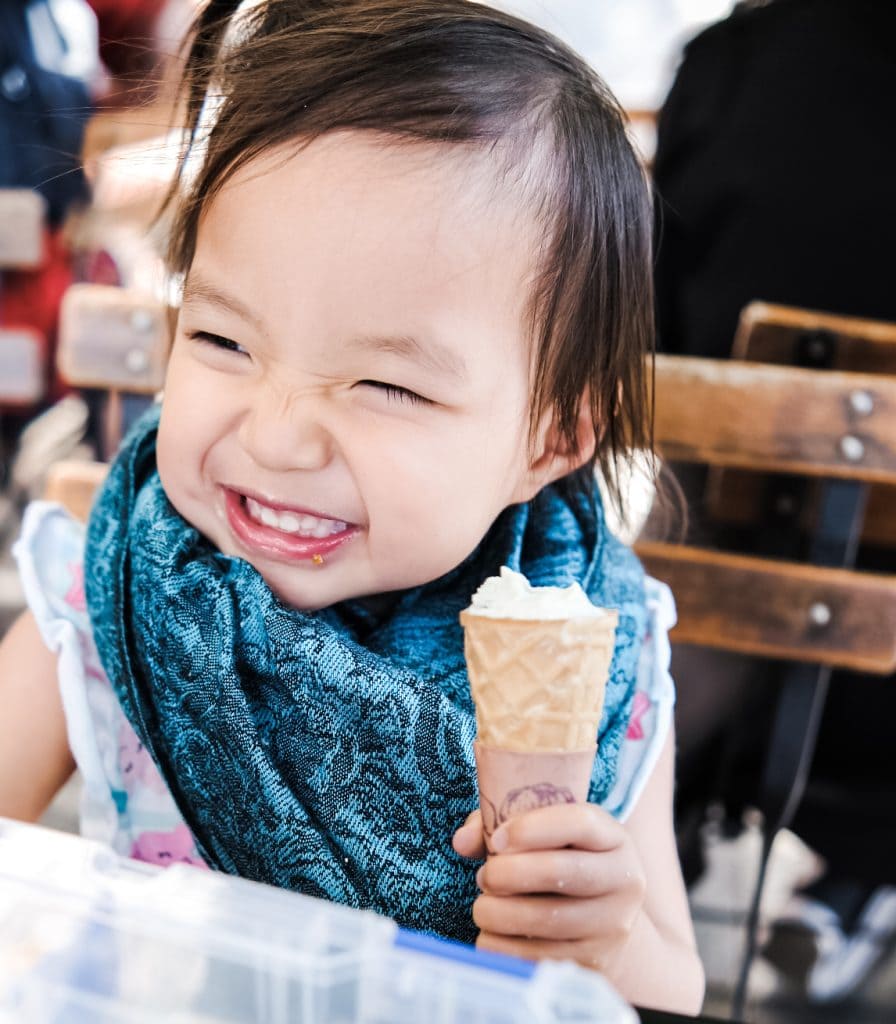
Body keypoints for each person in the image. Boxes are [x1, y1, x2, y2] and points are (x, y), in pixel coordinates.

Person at [0, 1, 704, 1013]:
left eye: (390, 387)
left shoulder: (603, 656)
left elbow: (675, 982)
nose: (278, 436)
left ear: (548, 438)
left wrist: (600, 939)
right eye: (223, 342)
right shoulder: (95, 602)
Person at [652, 0, 896, 1004]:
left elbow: (653, 324)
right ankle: (851, 877)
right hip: (877, 651)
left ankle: (646, 829)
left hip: (717, 586)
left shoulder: (730, 60)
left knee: (683, 527)